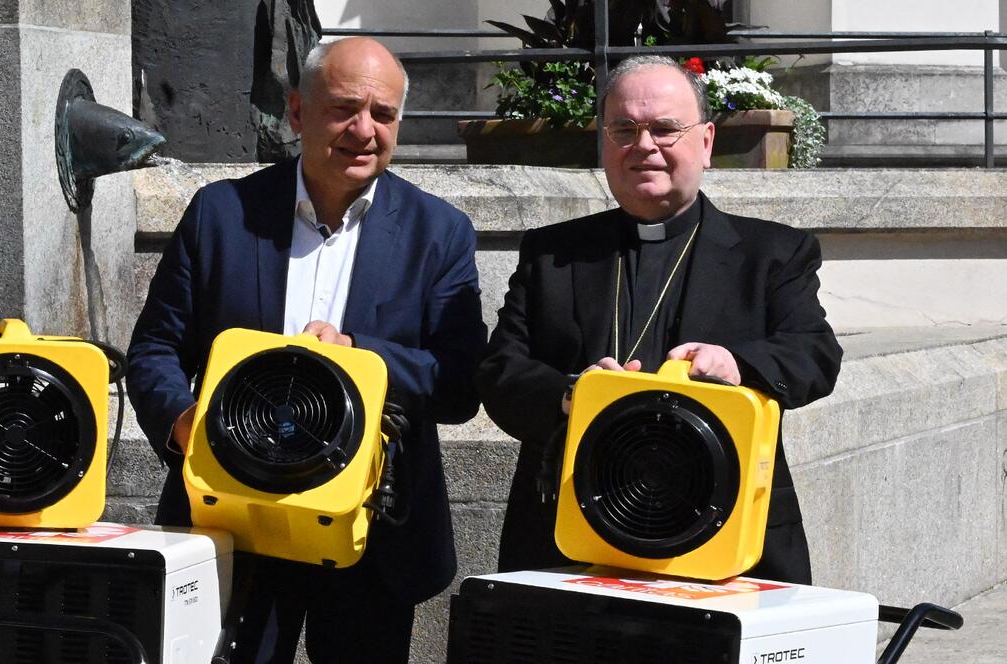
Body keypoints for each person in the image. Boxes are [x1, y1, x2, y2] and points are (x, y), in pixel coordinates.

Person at [126, 37, 486, 664]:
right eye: (345, 108)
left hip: (372, 533)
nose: (364, 130)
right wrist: (183, 424)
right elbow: (155, 347)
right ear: (297, 112)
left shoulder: (440, 232)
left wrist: (359, 356)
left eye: (384, 115)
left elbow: (458, 383)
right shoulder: (221, 214)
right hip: (235, 519)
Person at [475, 55, 842, 585]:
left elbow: (816, 354)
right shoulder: (554, 254)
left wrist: (737, 362)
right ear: (604, 143)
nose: (643, 146)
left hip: (722, 537)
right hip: (571, 536)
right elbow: (500, 369)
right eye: (624, 129)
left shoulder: (773, 253)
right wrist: (570, 395)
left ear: (707, 141)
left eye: (665, 128)